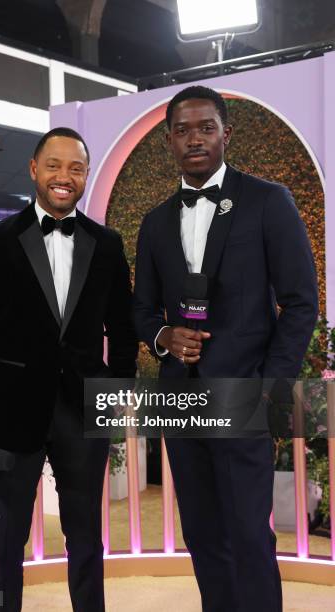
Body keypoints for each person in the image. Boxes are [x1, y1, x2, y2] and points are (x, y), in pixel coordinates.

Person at [134, 86, 318, 612]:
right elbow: (142, 311)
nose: (195, 138)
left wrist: (269, 387)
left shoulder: (267, 200)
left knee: (248, 536)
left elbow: (301, 303)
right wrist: (163, 338)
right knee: (202, 534)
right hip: (180, 402)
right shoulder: (154, 223)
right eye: (183, 130)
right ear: (168, 140)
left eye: (206, 127)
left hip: (244, 397)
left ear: (225, 134)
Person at [0, 127, 138, 612]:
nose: (64, 177)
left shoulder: (108, 244)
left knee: (86, 537)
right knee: (4, 540)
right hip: (13, 414)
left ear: (86, 175)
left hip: (82, 412)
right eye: (54, 165)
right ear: (34, 169)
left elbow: (122, 329)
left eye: (76, 168)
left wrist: (115, 396)